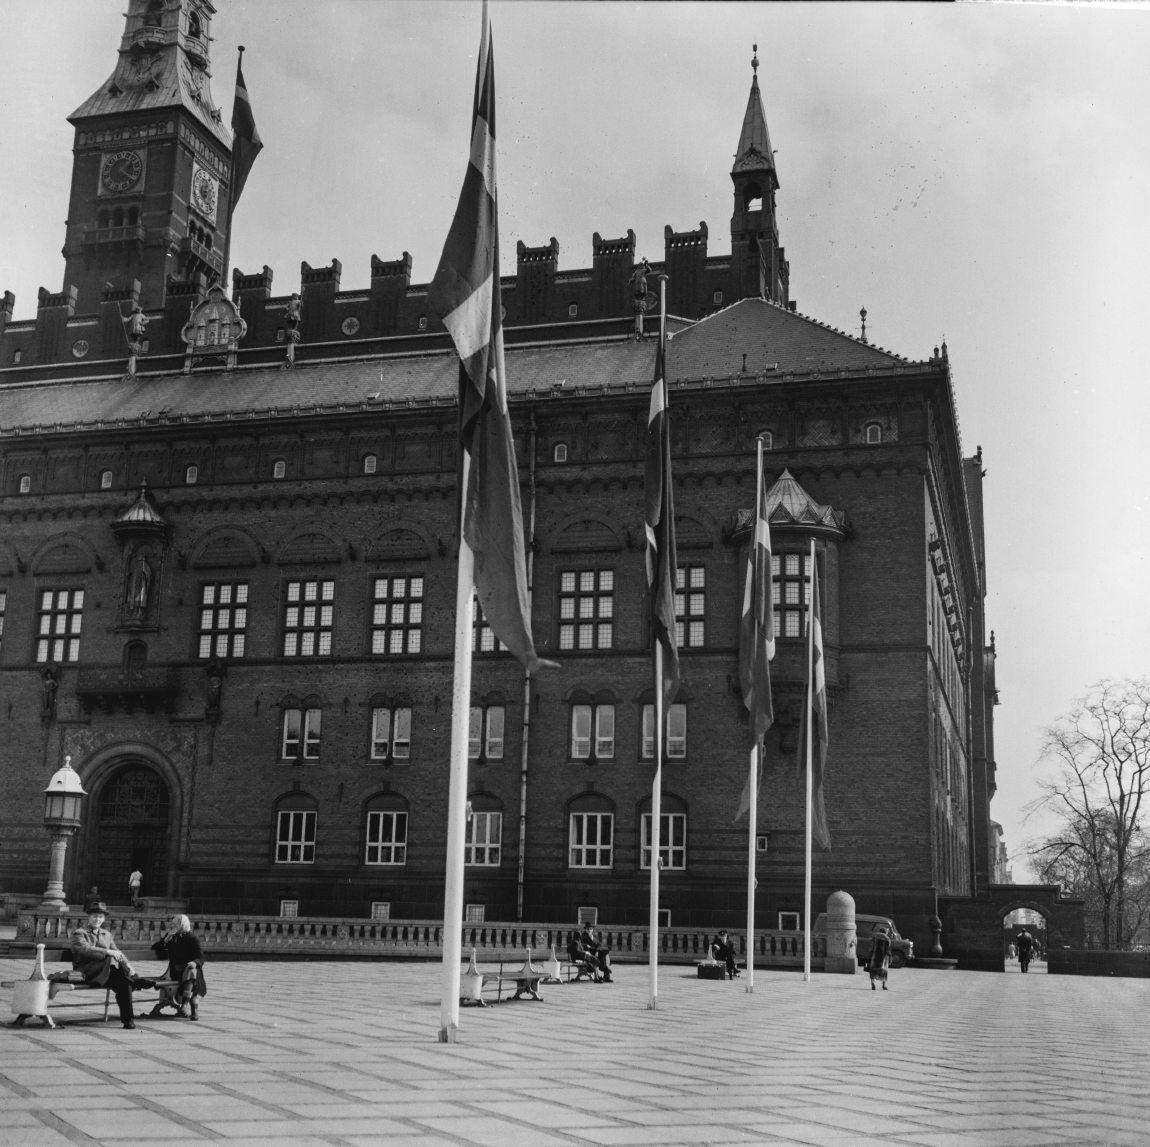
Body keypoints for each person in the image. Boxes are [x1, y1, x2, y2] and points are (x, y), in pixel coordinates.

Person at [70, 903, 152, 1029]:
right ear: (89, 917)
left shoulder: (106, 934)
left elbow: (117, 951)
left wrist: (128, 966)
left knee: (124, 983)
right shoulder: (79, 933)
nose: (97, 919)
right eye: (94, 916)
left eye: (100, 917)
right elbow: (85, 949)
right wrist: (107, 952)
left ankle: (128, 1020)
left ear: (104, 919)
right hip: (87, 972)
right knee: (109, 959)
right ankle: (136, 981)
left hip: (105, 973)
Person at [150, 915, 206, 1020]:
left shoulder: (192, 938)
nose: (172, 926)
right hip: (176, 970)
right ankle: (189, 1007)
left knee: (192, 970)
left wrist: (194, 962)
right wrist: (166, 940)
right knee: (192, 974)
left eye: (175, 924)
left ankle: (185, 1005)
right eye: (172, 924)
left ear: (183, 925)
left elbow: (201, 957)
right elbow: (154, 948)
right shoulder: (171, 936)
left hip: (188, 968)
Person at [868, 924, 892, 990]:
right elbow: (888, 950)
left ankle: (873, 984)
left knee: (873, 970)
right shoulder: (887, 939)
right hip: (884, 958)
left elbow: (871, 947)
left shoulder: (874, 937)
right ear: (885, 932)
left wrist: (870, 953)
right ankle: (884, 985)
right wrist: (890, 957)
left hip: (875, 956)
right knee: (884, 971)